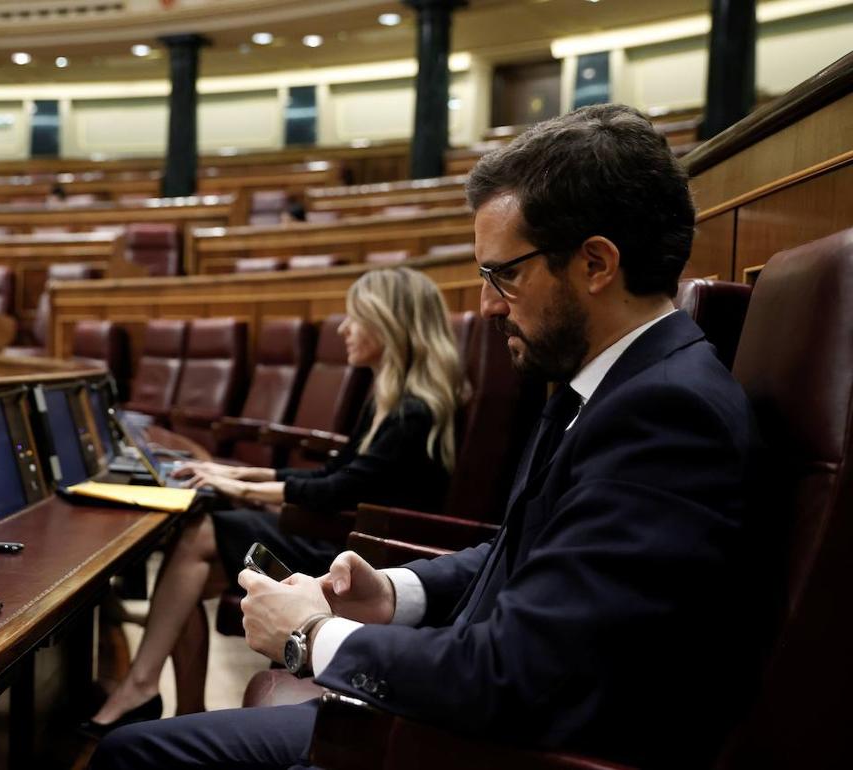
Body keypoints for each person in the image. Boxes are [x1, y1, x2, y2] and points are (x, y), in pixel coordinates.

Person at [92, 104, 768, 769]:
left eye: (504, 274)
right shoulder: (612, 387)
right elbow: (522, 553)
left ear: (595, 263)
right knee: (138, 749)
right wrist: (391, 592)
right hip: (464, 721)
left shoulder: (665, 415)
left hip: (485, 749)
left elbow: (518, 674)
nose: (487, 304)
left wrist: (312, 635)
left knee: (136, 757)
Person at [86, 266, 463, 733]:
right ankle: (172, 708)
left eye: (356, 317)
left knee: (197, 536)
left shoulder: (414, 412)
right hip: (346, 537)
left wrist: (241, 488)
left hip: (360, 560)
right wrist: (242, 472)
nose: (344, 329)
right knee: (188, 571)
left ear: (390, 324)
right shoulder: (389, 399)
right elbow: (334, 474)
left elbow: (336, 491)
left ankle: (147, 693)